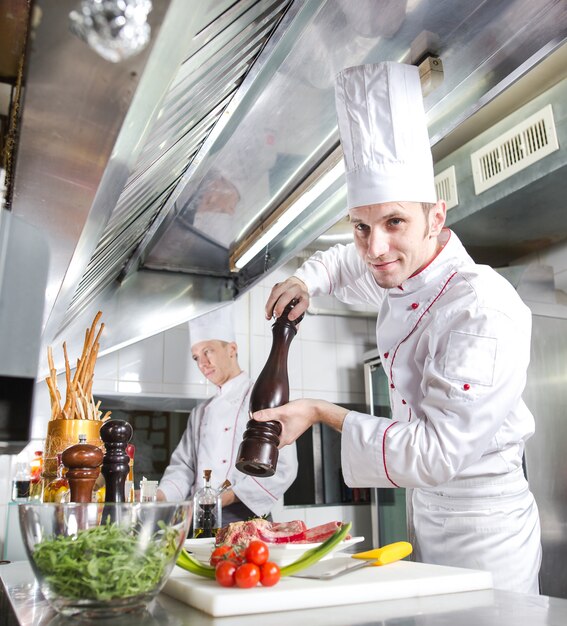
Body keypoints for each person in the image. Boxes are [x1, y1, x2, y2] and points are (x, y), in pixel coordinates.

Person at [254, 62, 542, 594]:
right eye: (361, 227)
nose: (375, 249)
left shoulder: (479, 308)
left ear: (437, 216)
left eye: (394, 222)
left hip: (486, 525)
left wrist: (322, 412)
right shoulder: (403, 276)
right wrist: (306, 280)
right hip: (426, 509)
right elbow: (344, 265)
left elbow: (434, 452)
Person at [157, 304, 298, 524]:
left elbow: (284, 467)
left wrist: (224, 498)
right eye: (196, 357)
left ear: (231, 349)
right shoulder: (200, 412)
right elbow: (184, 467)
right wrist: (160, 496)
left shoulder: (263, 395)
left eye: (207, 351)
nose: (202, 363)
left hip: (247, 517)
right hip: (202, 518)